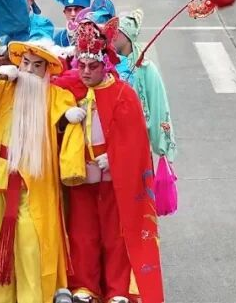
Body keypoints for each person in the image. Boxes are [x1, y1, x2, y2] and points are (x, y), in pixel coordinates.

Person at [52, 18, 163, 303]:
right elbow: (52, 122)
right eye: (82, 65)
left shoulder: (123, 94)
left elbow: (136, 142)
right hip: (80, 175)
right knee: (83, 234)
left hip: (113, 177)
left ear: (105, 64)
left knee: (116, 235)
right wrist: (64, 120)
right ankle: (84, 286)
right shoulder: (68, 89)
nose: (86, 72)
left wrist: (113, 159)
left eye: (93, 66)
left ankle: (117, 289)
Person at [0, 39, 77, 303]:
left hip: (33, 182)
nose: (28, 70)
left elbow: (67, 110)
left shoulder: (56, 95)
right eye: (25, 63)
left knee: (30, 247)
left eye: (36, 66)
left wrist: (69, 115)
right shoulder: (4, 88)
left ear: (47, 70)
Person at [113, 9, 177, 164]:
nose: (112, 36)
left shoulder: (146, 68)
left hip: (137, 143)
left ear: (128, 37)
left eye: (118, 32)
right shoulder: (105, 64)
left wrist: (164, 149)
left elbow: (158, 106)